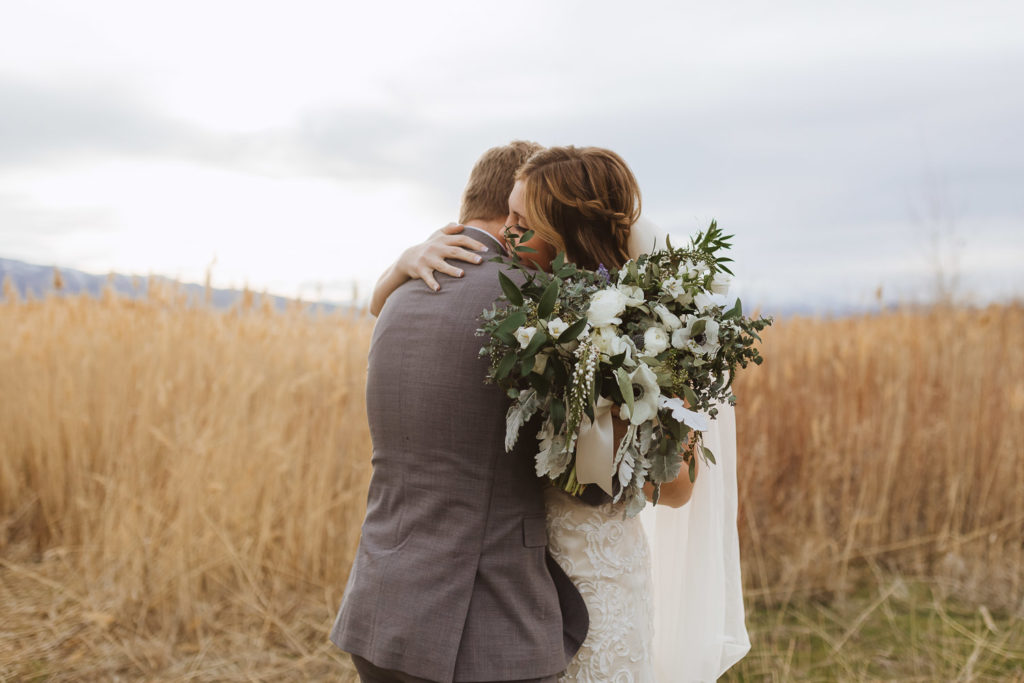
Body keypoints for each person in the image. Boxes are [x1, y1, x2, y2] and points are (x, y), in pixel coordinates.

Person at [373, 145, 751, 681]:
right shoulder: (536, 322)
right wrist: (400, 266)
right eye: (508, 215)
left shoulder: (647, 337)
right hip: (518, 591)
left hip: (595, 581)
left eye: (521, 222)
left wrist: (613, 430)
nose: (506, 233)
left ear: (563, 236)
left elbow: (678, 487)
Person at [330, 140, 589, 683]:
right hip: (485, 628)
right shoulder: (530, 306)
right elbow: (580, 477)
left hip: (379, 610)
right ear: (517, 212)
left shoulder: (398, 294)